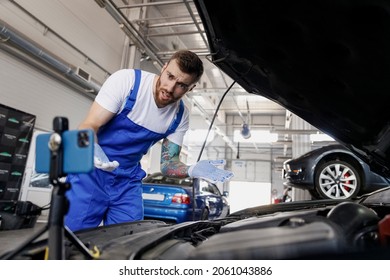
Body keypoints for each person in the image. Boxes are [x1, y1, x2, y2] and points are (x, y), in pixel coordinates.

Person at [65, 50, 234, 232]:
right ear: (163, 68)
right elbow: (88, 125)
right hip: (90, 173)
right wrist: (92, 148)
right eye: (170, 76)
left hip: (126, 183)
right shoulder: (128, 82)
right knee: (71, 239)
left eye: (181, 85)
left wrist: (191, 169)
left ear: (190, 88)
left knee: (127, 241)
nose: (170, 88)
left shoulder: (179, 116)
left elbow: (168, 164)